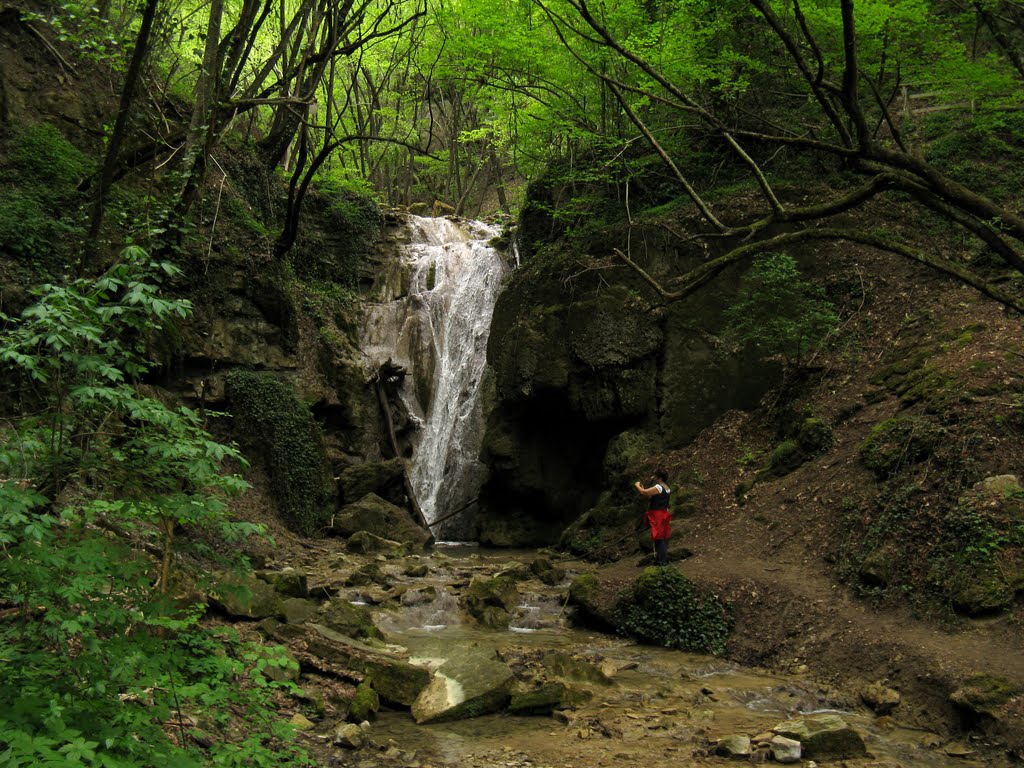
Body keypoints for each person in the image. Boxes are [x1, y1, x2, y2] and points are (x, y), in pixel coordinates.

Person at [635, 469, 671, 566]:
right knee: (662, 537)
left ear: (659, 477)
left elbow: (644, 492)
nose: (654, 477)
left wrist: (637, 485)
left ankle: (662, 561)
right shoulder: (667, 488)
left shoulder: (658, 487)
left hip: (657, 515)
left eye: (656, 476)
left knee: (659, 538)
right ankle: (661, 558)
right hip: (664, 514)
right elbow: (653, 497)